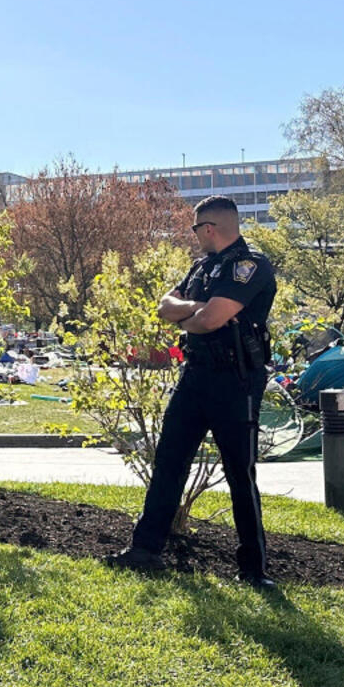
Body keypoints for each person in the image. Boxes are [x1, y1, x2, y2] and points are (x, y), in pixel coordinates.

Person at [113, 196, 277, 588]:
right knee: (169, 462)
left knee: (240, 474)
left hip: (235, 382)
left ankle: (253, 570)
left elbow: (210, 320)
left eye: (194, 229)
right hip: (195, 376)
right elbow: (164, 307)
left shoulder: (249, 266)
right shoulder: (203, 267)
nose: (194, 237)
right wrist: (198, 309)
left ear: (208, 228)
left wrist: (196, 313)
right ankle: (145, 550)